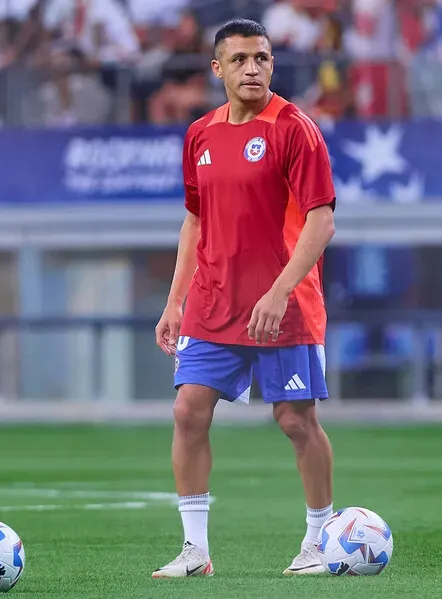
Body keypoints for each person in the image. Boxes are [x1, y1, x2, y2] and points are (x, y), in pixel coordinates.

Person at [152, 18, 337, 579]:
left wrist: (280, 291)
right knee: (188, 410)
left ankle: (319, 538)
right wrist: (174, 300)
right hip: (213, 302)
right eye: (239, 60)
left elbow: (321, 220)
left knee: (295, 420)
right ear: (217, 69)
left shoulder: (294, 128)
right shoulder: (200, 134)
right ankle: (195, 551)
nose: (252, 68)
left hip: (283, 303)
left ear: (272, 64)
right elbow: (194, 220)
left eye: (261, 58)